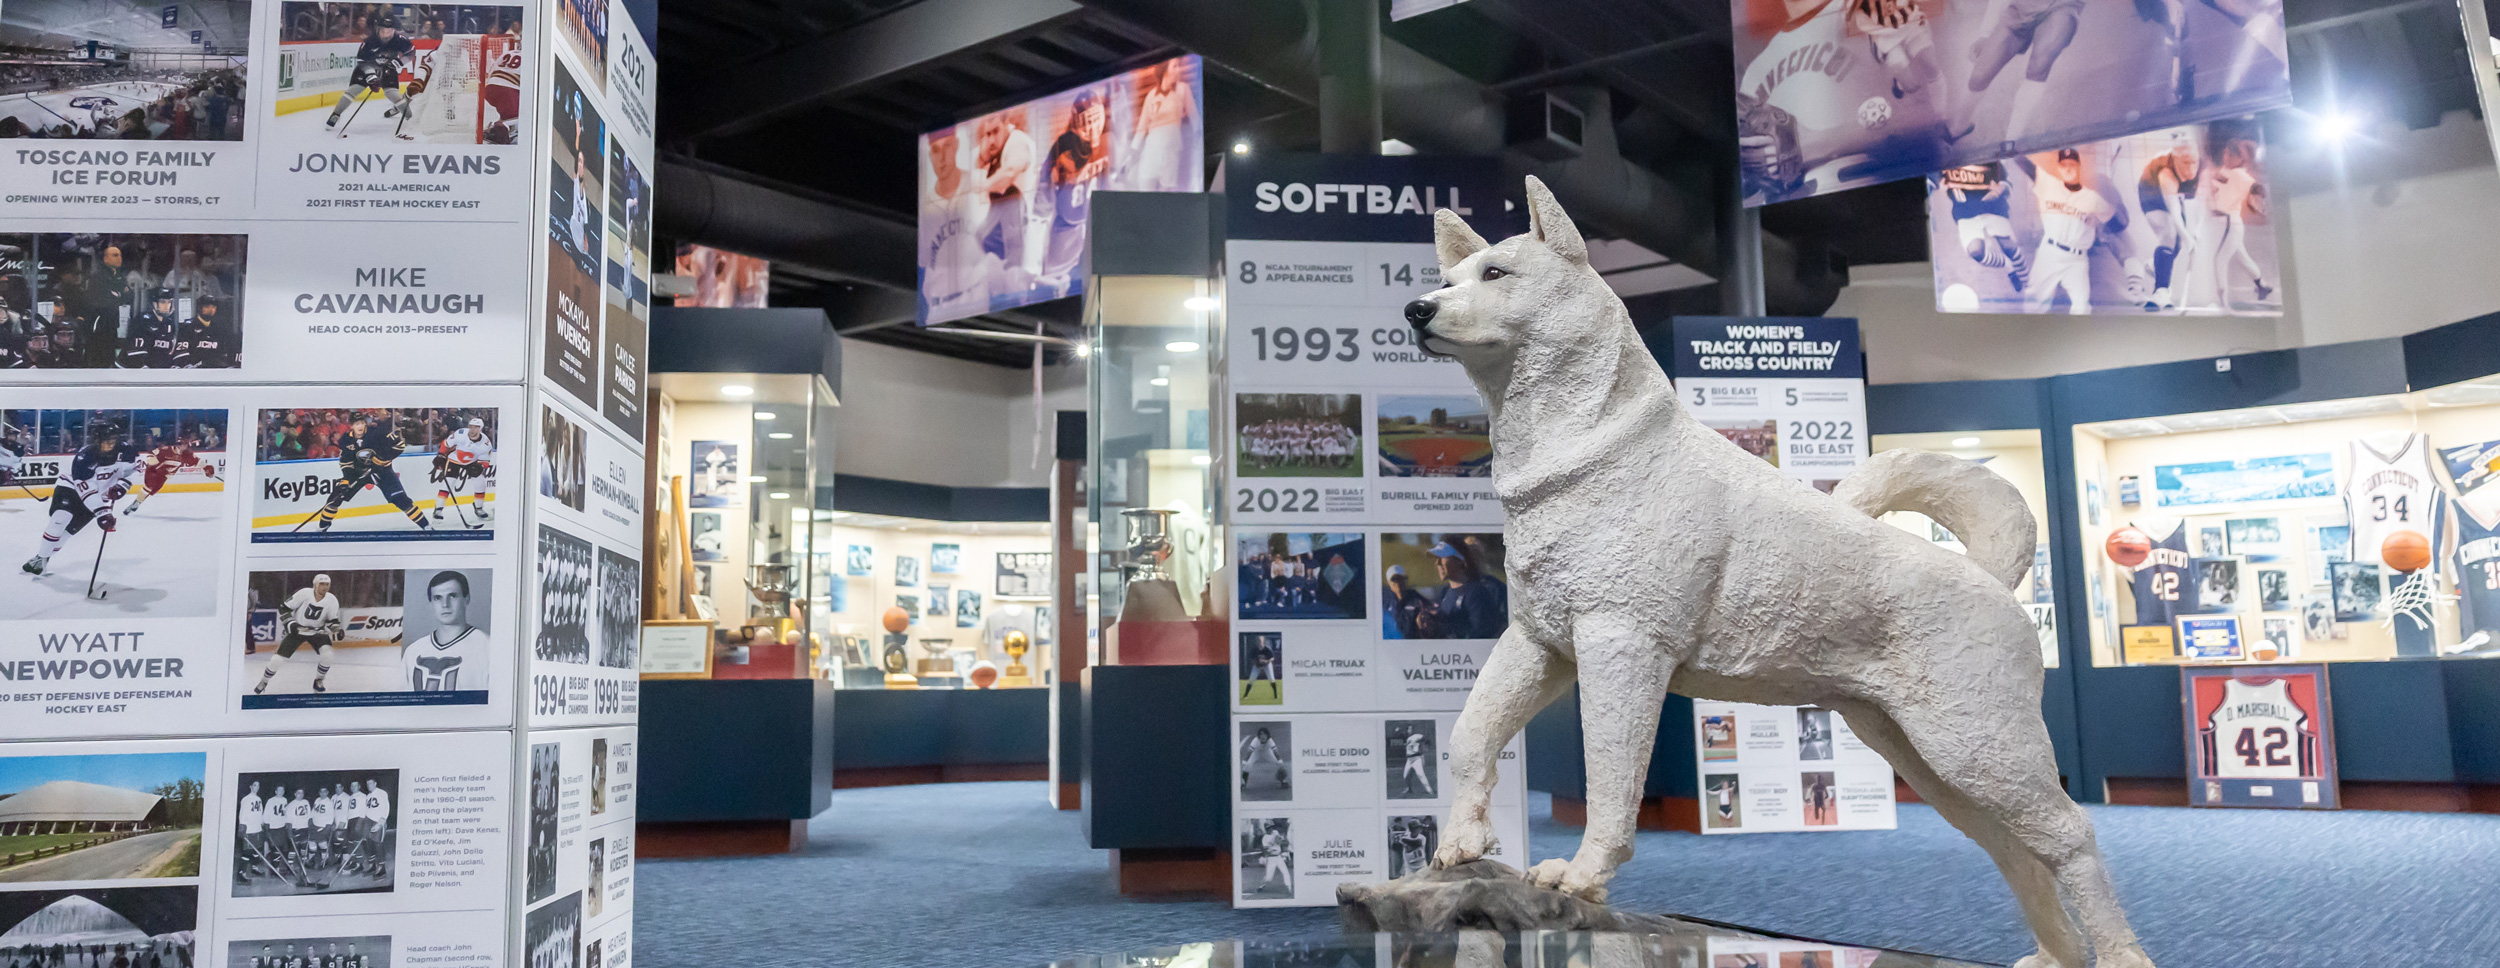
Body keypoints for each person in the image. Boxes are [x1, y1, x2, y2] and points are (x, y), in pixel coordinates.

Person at [22, 419, 139, 576]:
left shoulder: (127, 451)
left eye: (113, 440)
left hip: (97, 498)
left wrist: (123, 485)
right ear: (97, 441)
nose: (111, 444)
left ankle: (41, 558)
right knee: (61, 518)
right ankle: (42, 557)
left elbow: (139, 468)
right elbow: (86, 488)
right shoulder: (85, 457)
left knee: (69, 532)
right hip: (71, 488)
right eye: (106, 441)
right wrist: (103, 513)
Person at [2020, 148, 2122, 315]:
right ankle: (2029, 336)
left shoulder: (2092, 198)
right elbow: (2026, 166)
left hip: (2077, 260)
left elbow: (2116, 219)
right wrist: (2009, 148)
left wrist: (2099, 221)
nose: (2068, 168)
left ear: (2078, 167)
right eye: (2064, 165)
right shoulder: (2049, 184)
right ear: (2059, 168)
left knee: (2082, 306)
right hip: (2050, 253)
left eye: (2072, 165)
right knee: (2034, 303)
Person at [306, 413, 433, 534]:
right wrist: (347, 479)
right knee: (335, 498)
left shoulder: (378, 433)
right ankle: (323, 527)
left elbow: (399, 445)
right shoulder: (346, 440)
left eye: (362, 423)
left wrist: (383, 459)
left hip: (383, 471)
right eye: (357, 424)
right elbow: (346, 463)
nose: (360, 426)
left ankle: (426, 526)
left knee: (401, 500)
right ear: (352, 426)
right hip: (358, 473)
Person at [2135, 132, 2203, 311]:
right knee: (2169, 232)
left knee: (2178, 243)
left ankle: (2154, 264)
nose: (2191, 168)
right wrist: (2188, 237)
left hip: (2174, 193)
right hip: (2151, 192)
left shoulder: (2199, 166)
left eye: (2194, 161)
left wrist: (2193, 232)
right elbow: (2174, 212)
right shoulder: (2166, 173)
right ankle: (2161, 291)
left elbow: (2193, 203)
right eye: (2186, 162)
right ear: (2176, 159)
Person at [326, 15, 415, 134]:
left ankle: (411, 118)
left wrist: (398, 62)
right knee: (353, 90)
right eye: (383, 30)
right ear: (378, 29)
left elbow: (411, 52)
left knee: (393, 95)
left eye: (389, 30)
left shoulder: (400, 39)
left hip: (388, 69)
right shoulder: (369, 41)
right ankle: (335, 114)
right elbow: (362, 61)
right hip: (366, 69)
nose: (386, 33)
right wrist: (371, 77)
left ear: (394, 29)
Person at [258, 573, 343, 694]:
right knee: (277, 659)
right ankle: (264, 681)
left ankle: (319, 680)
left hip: (318, 632)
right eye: (322, 584)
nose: (325, 587)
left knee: (328, 655)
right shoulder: (304, 593)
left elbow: (332, 621)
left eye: (327, 584)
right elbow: (284, 608)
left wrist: (336, 629)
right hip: (298, 631)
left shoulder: (332, 599)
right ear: (315, 585)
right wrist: (292, 625)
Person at [405, 570, 490, 691]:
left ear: (467, 599)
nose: (445, 604)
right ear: (431, 603)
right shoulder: (413, 651)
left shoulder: (488, 648)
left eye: (453, 596)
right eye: (437, 598)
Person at [1422, 540, 1505, 639]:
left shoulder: (1476, 592)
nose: (1438, 563)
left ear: (1460, 560)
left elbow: (1482, 634)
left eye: (1442, 557)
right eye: (1436, 558)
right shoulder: (1444, 593)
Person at [122, 433, 204, 516]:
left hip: (163, 476)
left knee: (153, 490)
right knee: (148, 487)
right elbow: (152, 453)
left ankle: (137, 502)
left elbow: (197, 461)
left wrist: (207, 468)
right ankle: (137, 502)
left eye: (184, 445)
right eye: (180, 444)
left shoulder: (186, 455)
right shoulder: (166, 450)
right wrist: (151, 459)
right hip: (153, 471)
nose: (182, 447)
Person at [431, 416, 494, 524]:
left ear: (481, 429)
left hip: (472, 462)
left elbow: (485, 461)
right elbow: (446, 444)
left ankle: (478, 508)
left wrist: (480, 467)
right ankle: (438, 510)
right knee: (448, 483)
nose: (473, 430)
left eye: (476, 427)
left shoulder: (486, 444)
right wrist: (441, 455)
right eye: (471, 427)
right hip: (455, 459)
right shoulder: (460, 434)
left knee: (480, 483)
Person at [167, 295, 235, 368]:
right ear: (199, 308)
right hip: (194, 372)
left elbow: (223, 355)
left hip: (214, 372)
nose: (211, 309)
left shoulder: (219, 329)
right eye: (207, 306)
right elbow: (181, 354)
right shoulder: (187, 327)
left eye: (213, 307)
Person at [1382, 565, 1426, 639]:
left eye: (1400, 578)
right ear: (1389, 583)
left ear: (1406, 579)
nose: (1397, 582)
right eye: (1394, 579)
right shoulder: (1386, 601)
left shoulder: (1416, 599)